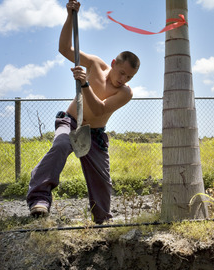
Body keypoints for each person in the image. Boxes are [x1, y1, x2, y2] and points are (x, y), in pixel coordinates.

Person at [26, 0, 140, 224]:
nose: (123, 79)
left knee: (101, 179)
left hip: (94, 133)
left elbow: (99, 109)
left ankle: (102, 219)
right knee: (60, 145)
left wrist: (84, 84)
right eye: (122, 72)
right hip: (70, 121)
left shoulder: (126, 93)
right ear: (114, 62)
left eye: (129, 77)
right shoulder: (95, 65)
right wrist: (70, 15)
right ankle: (39, 199)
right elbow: (65, 49)